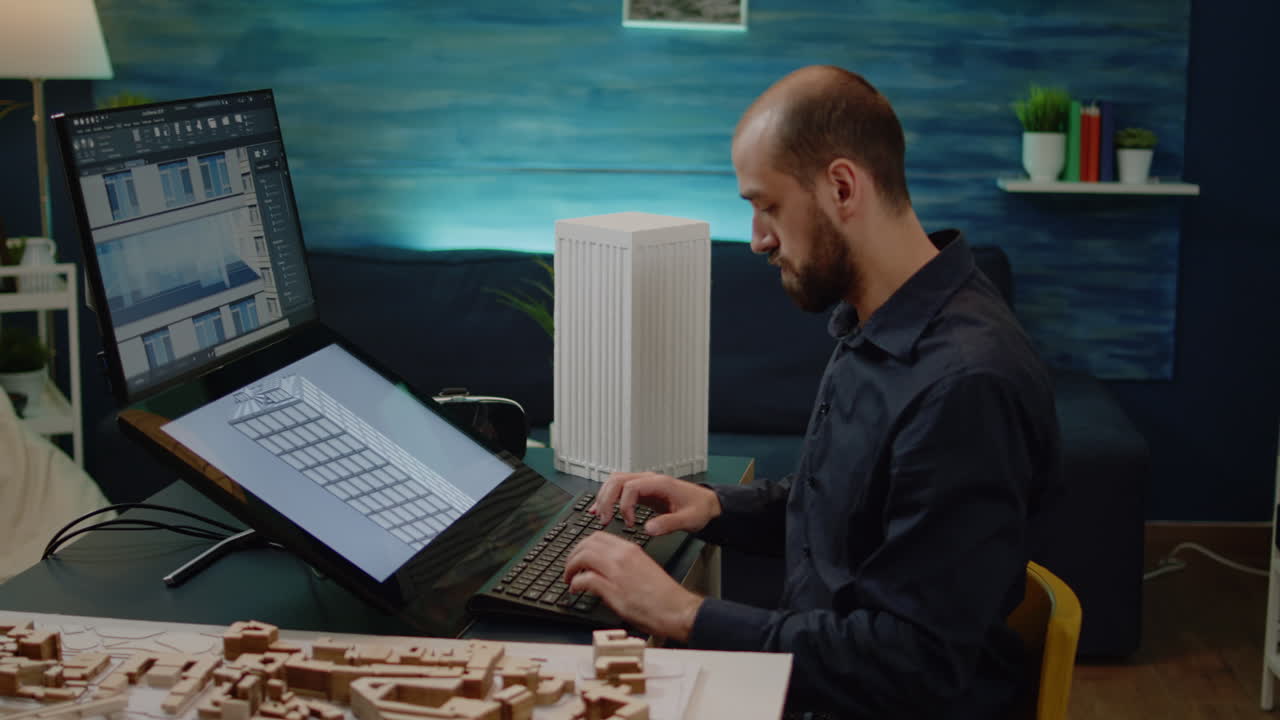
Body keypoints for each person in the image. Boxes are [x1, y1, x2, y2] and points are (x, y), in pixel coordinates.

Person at [562, 65, 1062, 719]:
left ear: (842, 188)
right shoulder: (877, 321)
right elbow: (852, 510)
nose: (757, 239)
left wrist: (682, 612)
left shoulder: (965, 386)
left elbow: (912, 664)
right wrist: (716, 506)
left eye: (767, 206)